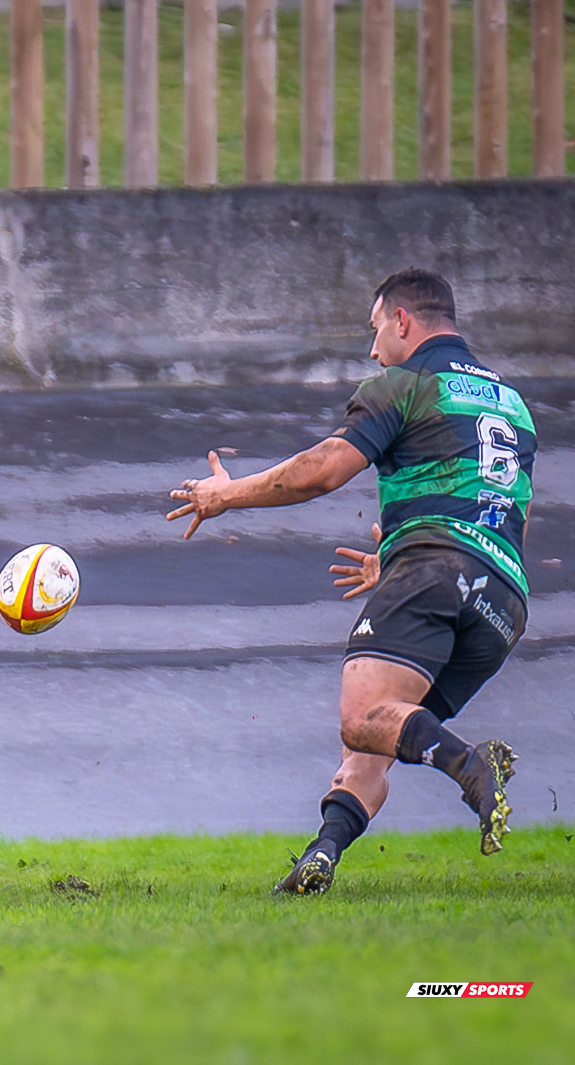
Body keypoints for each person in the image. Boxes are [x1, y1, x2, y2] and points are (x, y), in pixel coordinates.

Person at [165, 268, 533, 895]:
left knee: (362, 718)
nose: (372, 350)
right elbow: (481, 503)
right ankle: (320, 858)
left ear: (402, 321)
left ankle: (470, 765)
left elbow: (323, 470)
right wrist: (395, 557)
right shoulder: (511, 404)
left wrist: (227, 496)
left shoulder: (405, 383)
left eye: (375, 331)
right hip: (501, 597)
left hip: (433, 569)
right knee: (383, 736)